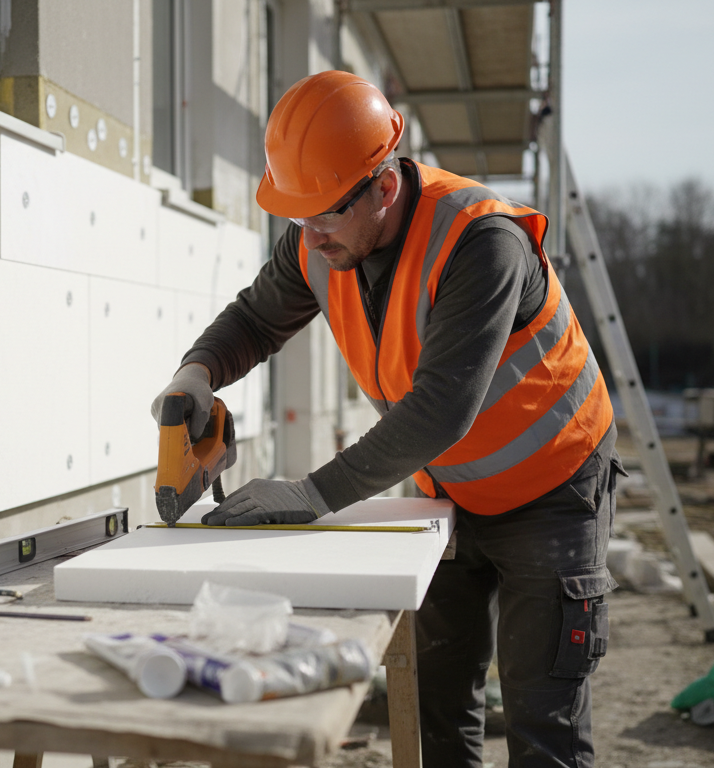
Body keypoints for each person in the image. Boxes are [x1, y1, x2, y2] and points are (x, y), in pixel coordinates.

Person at [151, 71, 623, 767]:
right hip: (449, 492)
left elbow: (442, 407)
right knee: (441, 706)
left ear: (384, 187)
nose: (312, 235)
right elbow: (255, 319)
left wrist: (312, 494)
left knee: (541, 726)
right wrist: (196, 373)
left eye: (326, 214)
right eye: (298, 216)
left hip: (553, 490)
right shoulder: (319, 237)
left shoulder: (481, 241)